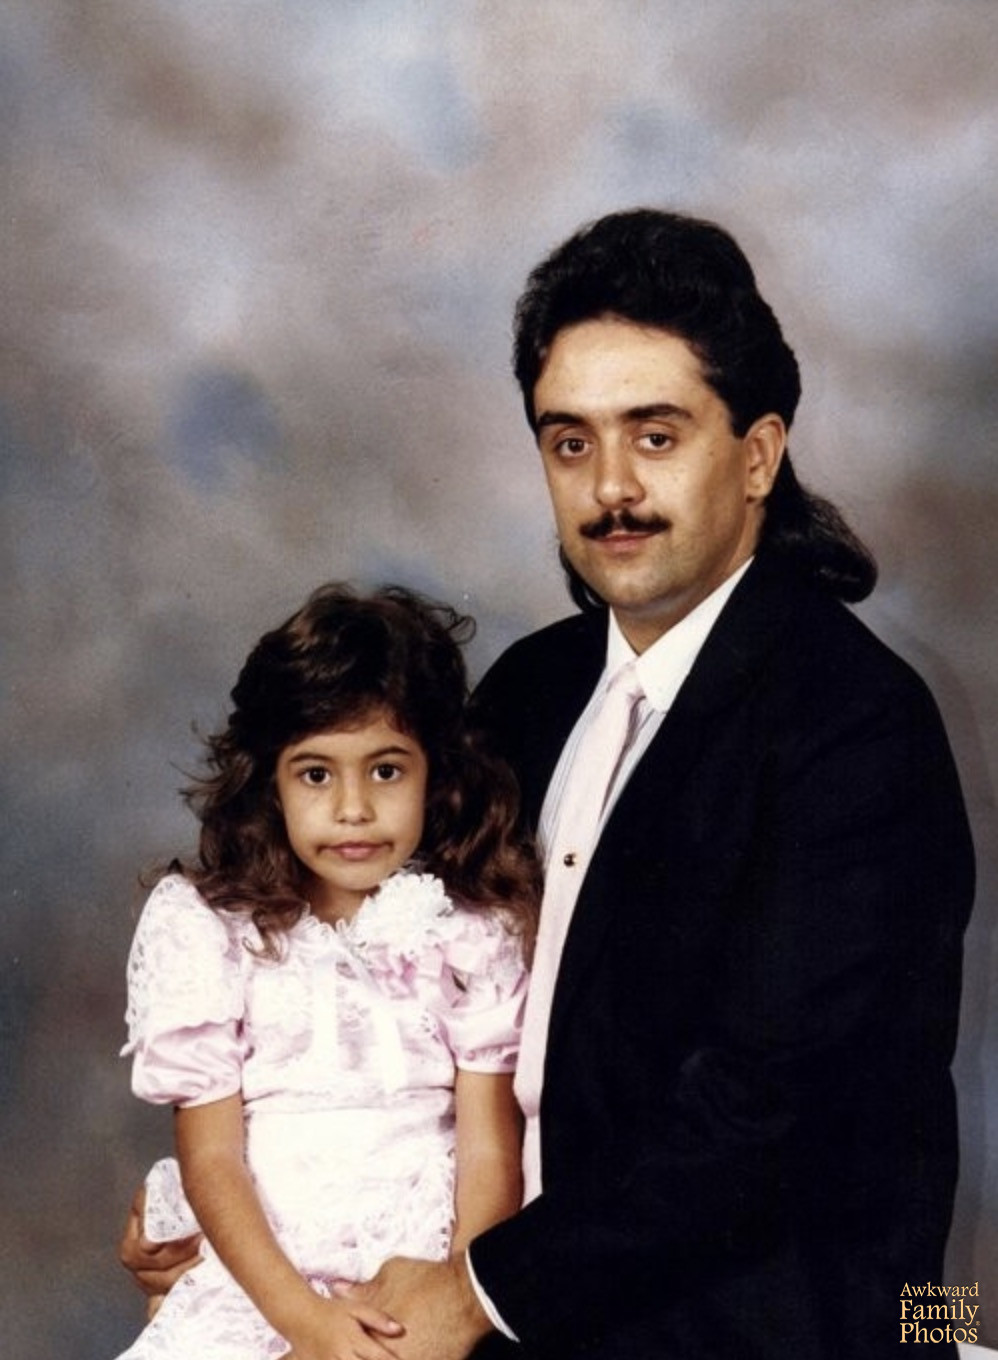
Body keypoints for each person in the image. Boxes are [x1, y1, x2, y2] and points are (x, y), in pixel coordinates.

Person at [122, 209, 976, 1359]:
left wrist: (476, 1291)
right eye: (569, 443)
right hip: (508, 1302)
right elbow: (373, 979)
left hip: (774, 1323)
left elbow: (760, 1111)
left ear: (757, 455)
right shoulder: (531, 690)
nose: (609, 485)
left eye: (654, 435)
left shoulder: (854, 726)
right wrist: (238, 1223)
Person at [112, 583, 538, 1360]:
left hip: (415, 1274)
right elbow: (212, 1157)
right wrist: (301, 1320)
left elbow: (488, 1149)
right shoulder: (213, 929)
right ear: (270, 786)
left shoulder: (472, 930)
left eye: (386, 771)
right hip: (265, 1281)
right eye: (315, 774)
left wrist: (454, 1308)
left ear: (437, 776)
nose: (352, 809)